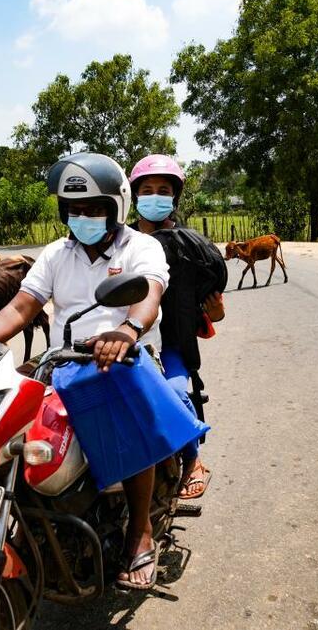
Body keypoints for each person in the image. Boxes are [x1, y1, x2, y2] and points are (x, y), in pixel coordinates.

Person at [0, 152, 170, 589]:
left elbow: (150, 295)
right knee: (4, 429)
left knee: (130, 427)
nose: (83, 217)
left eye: (94, 209)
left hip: (125, 362)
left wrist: (127, 328)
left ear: (117, 207)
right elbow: (23, 306)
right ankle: (29, 524)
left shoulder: (141, 247)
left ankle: (139, 534)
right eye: (74, 210)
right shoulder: (56, 254)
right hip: (61, 365)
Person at [128, 154, 224, 500]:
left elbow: (214, 313)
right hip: (124, 338)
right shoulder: (120, 243)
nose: (154, 196)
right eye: (147, 190)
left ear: (174, 198)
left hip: (168, 346)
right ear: (134, 197)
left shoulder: (192, 249)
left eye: (163, 190)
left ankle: (193, 460)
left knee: (174, 393)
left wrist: (214, 311)